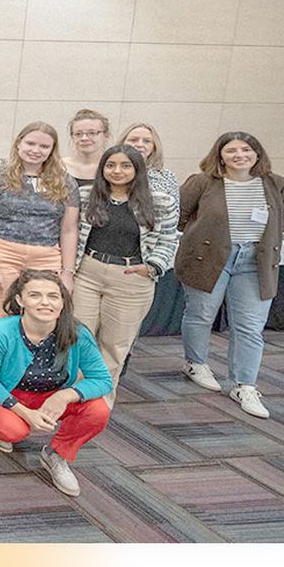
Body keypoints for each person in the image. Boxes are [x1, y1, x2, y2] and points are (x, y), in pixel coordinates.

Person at [177, 132, 284, 420]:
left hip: (255, 261)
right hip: (209, 257)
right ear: (220, 155)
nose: (239, 155)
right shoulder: (203, 182)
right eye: (231, 150)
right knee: (202, 313)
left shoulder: (276, 184)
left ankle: (244, 385)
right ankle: (195, 362)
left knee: (250, 327)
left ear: (257, 153)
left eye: (246, 149)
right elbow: (180, 214)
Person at [0, 270, 112, 497]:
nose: (45, 302)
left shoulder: (77, 334)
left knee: (98, 410)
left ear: (62, 303)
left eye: (53, 296)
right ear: (20, 300)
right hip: (7, 394)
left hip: (51, 395)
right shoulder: (2, 332)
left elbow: (103, 380)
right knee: (13, 431)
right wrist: (24, 412)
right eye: (35, 295)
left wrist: (66, 395)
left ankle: (57, 455)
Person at [73, 145, 178, 406]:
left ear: (137, 169)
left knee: (114, 346)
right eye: (111, 165)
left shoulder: (160, 200)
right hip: (87, 273)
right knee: (78, 339)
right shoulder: (86, 195)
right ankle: (72, 400)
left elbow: (168, 240)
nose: (117, 171)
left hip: (132, 277)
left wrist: (152, 266)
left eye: (125, 165)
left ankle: (100, 404)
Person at [0, 122, 80, 350]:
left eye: (44, 146)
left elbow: (69, 230)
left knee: (43, 318)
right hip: (3, 252)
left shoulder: (65, 181)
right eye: (30, 143)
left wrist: (68, 272)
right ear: (19, 143)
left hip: (47, 255)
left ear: (52, 150)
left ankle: (31, 376)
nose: (35, 149)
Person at [119, 122, 180, 201]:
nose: (140, 144)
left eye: (147, 141)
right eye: (133, 140)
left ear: (154, 147)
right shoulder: (111, 172)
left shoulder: (167, 177)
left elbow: (175, 211)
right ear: (122, 143)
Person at [62, 109, 110, 188]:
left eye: (92, 133)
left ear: (106, 135)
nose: (84, 138)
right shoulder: (59, 167)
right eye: (78, 134)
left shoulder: (113, 168)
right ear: (72, 136)